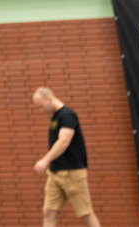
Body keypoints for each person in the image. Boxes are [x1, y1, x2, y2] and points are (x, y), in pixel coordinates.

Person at [32, 87, 101, 227]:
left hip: (73, 172)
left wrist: (45, 160)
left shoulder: (67, 115)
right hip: (55, 172)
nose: (41, 110)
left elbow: (64, 141)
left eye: (41, 106)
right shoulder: (55, 117)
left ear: (49, 98)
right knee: (48, 212)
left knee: (85, 213)